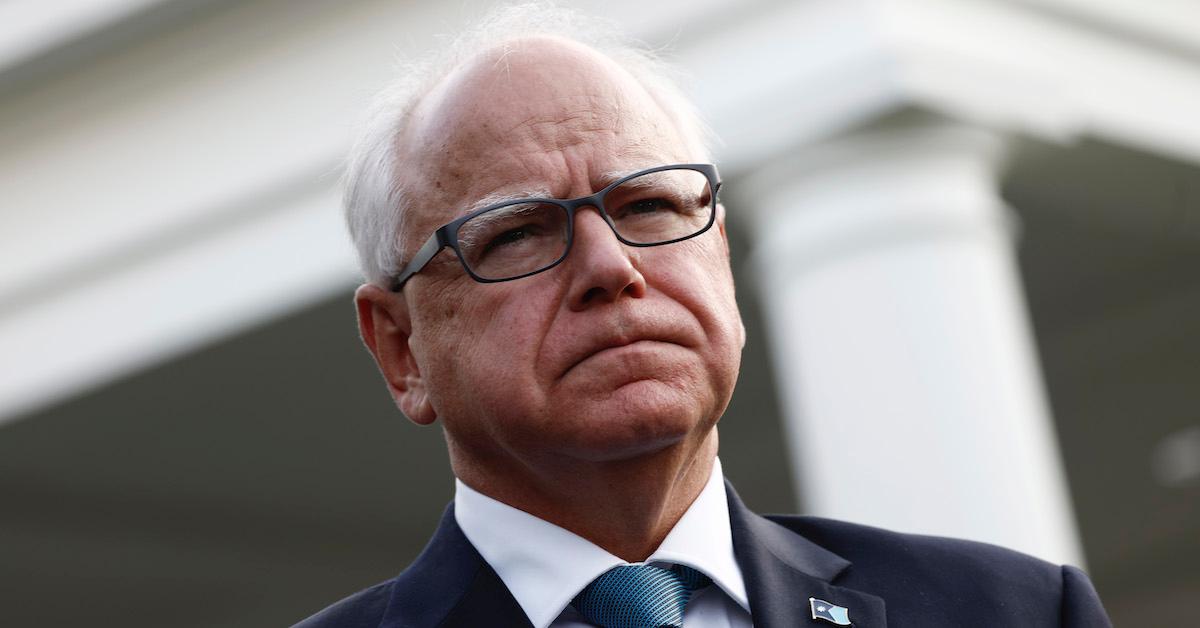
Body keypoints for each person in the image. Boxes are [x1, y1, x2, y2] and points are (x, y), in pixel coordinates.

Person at [296, 5, 1111, 627]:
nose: (611, 267)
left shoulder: (1016, 611)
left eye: (648, 204)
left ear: (718, 251)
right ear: (400, 349)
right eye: (516, 233)